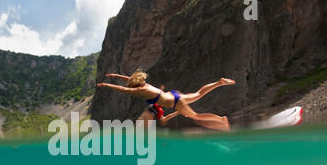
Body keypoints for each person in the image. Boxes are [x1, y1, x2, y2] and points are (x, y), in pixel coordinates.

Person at [97, 70, 236, 131]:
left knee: (196, 117)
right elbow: (129, 80)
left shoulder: (141, 90)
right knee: (199, 93)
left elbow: (125, 90)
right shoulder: (145, 84)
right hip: (174, 94)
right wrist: (115, 75)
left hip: (176, 102)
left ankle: (222, 120)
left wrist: (107, 85)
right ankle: (219, 83)